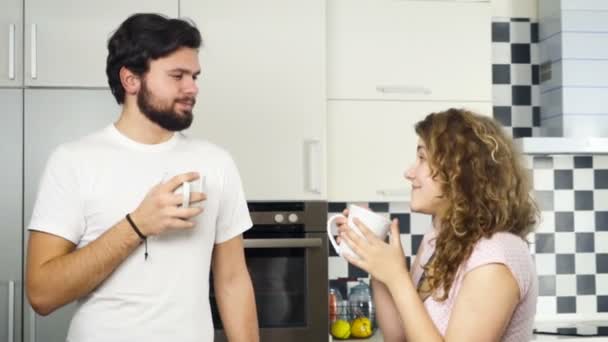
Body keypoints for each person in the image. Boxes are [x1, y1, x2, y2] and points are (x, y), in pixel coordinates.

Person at [25, 13, 259, 342]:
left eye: (194, 75)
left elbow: (233, 280)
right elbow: (42, 294)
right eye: (178, 75)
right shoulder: (72, 162)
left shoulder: (216, 163)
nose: (193, 88)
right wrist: (137, 225)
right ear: (131, 80)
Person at [337, 108, 539, 342]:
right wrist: (377, 262)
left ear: (460, 173)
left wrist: (397, 277)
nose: (409, 172)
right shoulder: (437, 241)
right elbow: (399, 336)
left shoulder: (497, 256)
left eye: (422, 158)